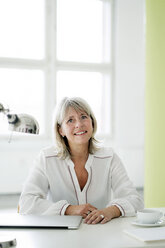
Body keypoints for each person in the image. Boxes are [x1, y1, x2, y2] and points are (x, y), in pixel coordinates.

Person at [19, 97, 143, 224]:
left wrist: (110, 211)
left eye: (83, 117)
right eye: (70, 120)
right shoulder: (46, 158)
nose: (79, 124)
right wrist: (68, 209)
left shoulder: (109, 157)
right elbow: (26, 203)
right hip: (60, 236)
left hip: (100, 233)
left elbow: (135, 200)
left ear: (92, 122)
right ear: (60, 130)